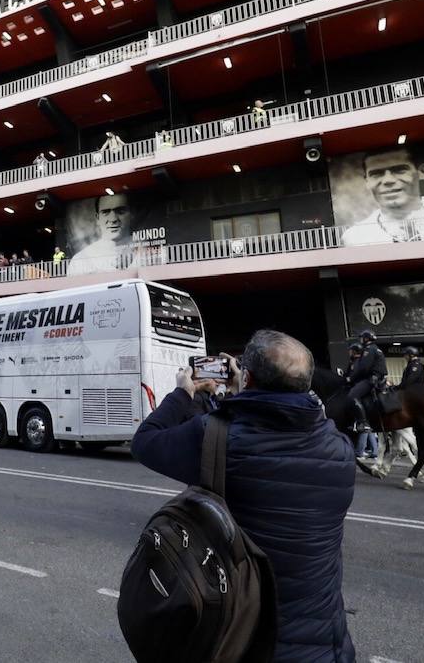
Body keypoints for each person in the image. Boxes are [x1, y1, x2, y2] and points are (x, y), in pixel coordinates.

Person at [131, 330, 356, 661]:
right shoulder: (340, 449)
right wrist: (244, 393)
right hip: (327, 644)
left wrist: (183, 393)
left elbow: (146, 442)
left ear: (246, 375)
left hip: (248, 637)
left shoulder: (219, 436)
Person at [340, 147, 424, 246]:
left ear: (422, 172)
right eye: (376, 174)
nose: (388, 180)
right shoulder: (354, 238)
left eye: (399, 170)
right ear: (367, 181)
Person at [68, 193, 134, 275]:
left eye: (120, 211)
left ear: (131, 214)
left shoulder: (147, 252)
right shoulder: (80, 259)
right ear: (97, 218)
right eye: (105, 212)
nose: (113, 219)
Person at [346, 330, 387, 432]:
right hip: (378, 378)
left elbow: (363, 368)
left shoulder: (368, 350)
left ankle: (363, 422)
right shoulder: (376, 349)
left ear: (366, 338)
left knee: (352, 395)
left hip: (372, 379)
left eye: (362, 338)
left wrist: (351, 378)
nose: (360, 340)